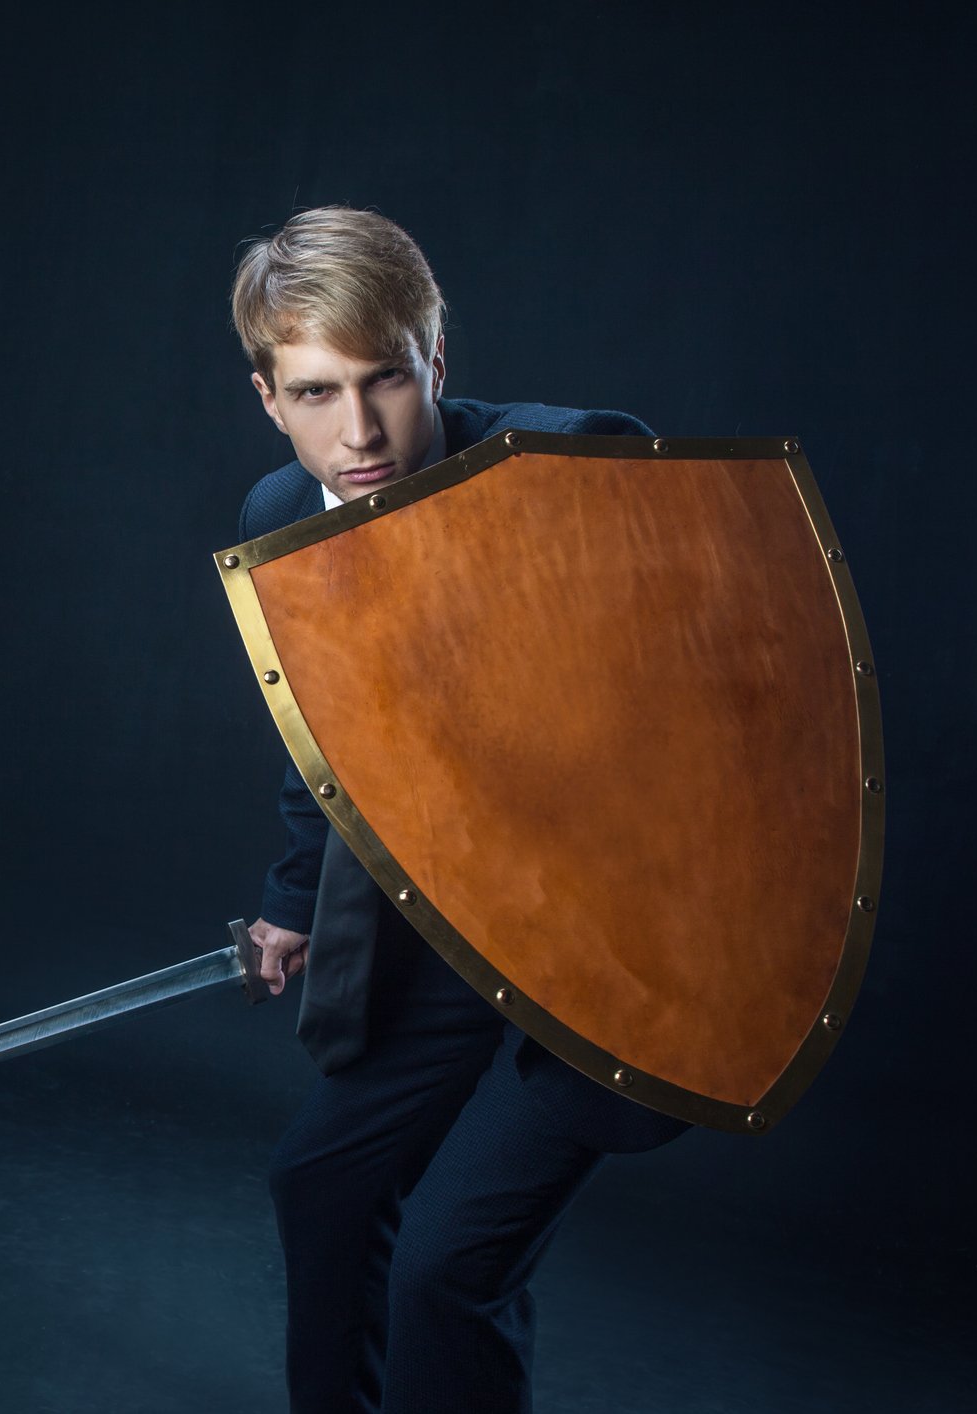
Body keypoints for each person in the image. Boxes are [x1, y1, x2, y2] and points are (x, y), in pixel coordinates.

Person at [230, 206, 690, 1413]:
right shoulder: (279, 516)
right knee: (317, 1183)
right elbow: (321, 743)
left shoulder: (569, 464)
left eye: (384, 379)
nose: (360, 428)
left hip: (611, 957)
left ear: (436, 359)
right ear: (269, 399)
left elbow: (714, 723)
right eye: (318, 393)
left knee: (445, 1264)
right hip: (452, 947)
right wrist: (290, 901)